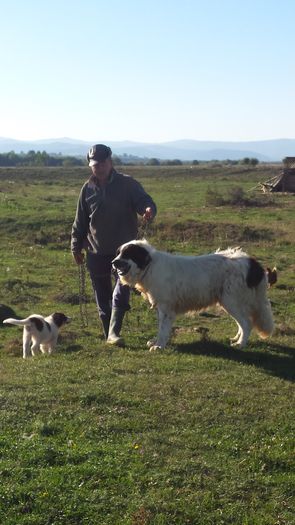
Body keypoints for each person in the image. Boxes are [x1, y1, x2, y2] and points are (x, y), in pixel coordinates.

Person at [71, 144, 157, 346]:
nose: (98, 168)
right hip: (95, 251)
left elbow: (144, 200)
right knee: (102, 294)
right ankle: (107, 333)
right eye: (94, 165)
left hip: (125, 254)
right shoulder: (87, 189)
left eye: (102, 163)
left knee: (122, 290)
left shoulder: (127, 184)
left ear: (110, 162)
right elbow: (80, 221)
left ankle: (114, 333)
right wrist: (75, 246)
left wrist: (148, 209)